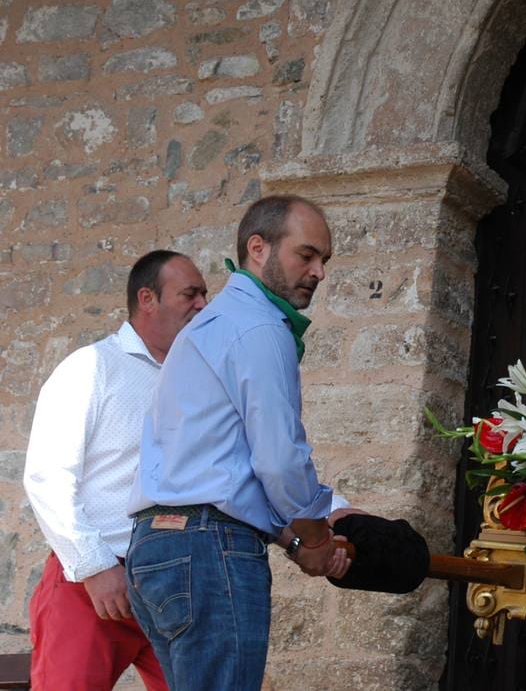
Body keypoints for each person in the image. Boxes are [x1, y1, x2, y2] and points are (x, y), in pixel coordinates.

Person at [126, 195, 350, 690]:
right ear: (258, 247)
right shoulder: (259, 327)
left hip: (156, 542)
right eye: (306, 255)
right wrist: (314, 537)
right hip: (207, 549)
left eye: (324, 261)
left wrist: (292, 535)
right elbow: (278, 459)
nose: (318, 272)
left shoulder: (209, 324)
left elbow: (219, 465)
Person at [23, 251, 208, 691]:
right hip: (91, 586)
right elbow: (48, 475)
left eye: (204, 294)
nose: (203, 304)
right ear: (148, 299)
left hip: (175, 581)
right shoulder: (90, 368)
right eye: (190, 294)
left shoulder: (198, 380)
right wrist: (94, 566)